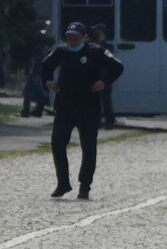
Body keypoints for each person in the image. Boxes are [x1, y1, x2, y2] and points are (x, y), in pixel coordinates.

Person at [41, 22, 124, 199]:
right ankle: (63, 183)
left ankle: (85, 185)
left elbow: (117, 66)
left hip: (88, 107)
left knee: (88, 147)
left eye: (76, 37)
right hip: (65, 106)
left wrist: (104, 81)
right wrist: (48, 82)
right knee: (57, 143)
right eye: (69, 37)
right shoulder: (61, 51)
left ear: (84, 36)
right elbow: (45, 67)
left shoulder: (95, 51)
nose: (72, 40)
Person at [90, 23, 118, 128]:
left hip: (104, 77)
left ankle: (109, 121)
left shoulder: (107, 47)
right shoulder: (94, 45)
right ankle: (98, 121)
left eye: (97, 31)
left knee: (106, 101)